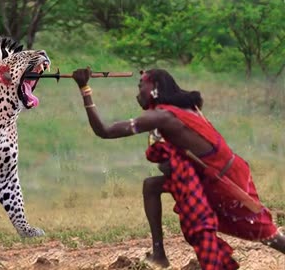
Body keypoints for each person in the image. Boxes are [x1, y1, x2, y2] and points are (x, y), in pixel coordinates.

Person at [71, 67, 285, 269]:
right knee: (151, 186)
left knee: (265, 233)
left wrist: (84, 89)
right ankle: (159, 254)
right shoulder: (179, 109)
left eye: (141, 87)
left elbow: (105, 131)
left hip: (224, 179)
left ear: (154, 88)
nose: (138, 93)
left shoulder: (163, 116)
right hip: (216, 174)